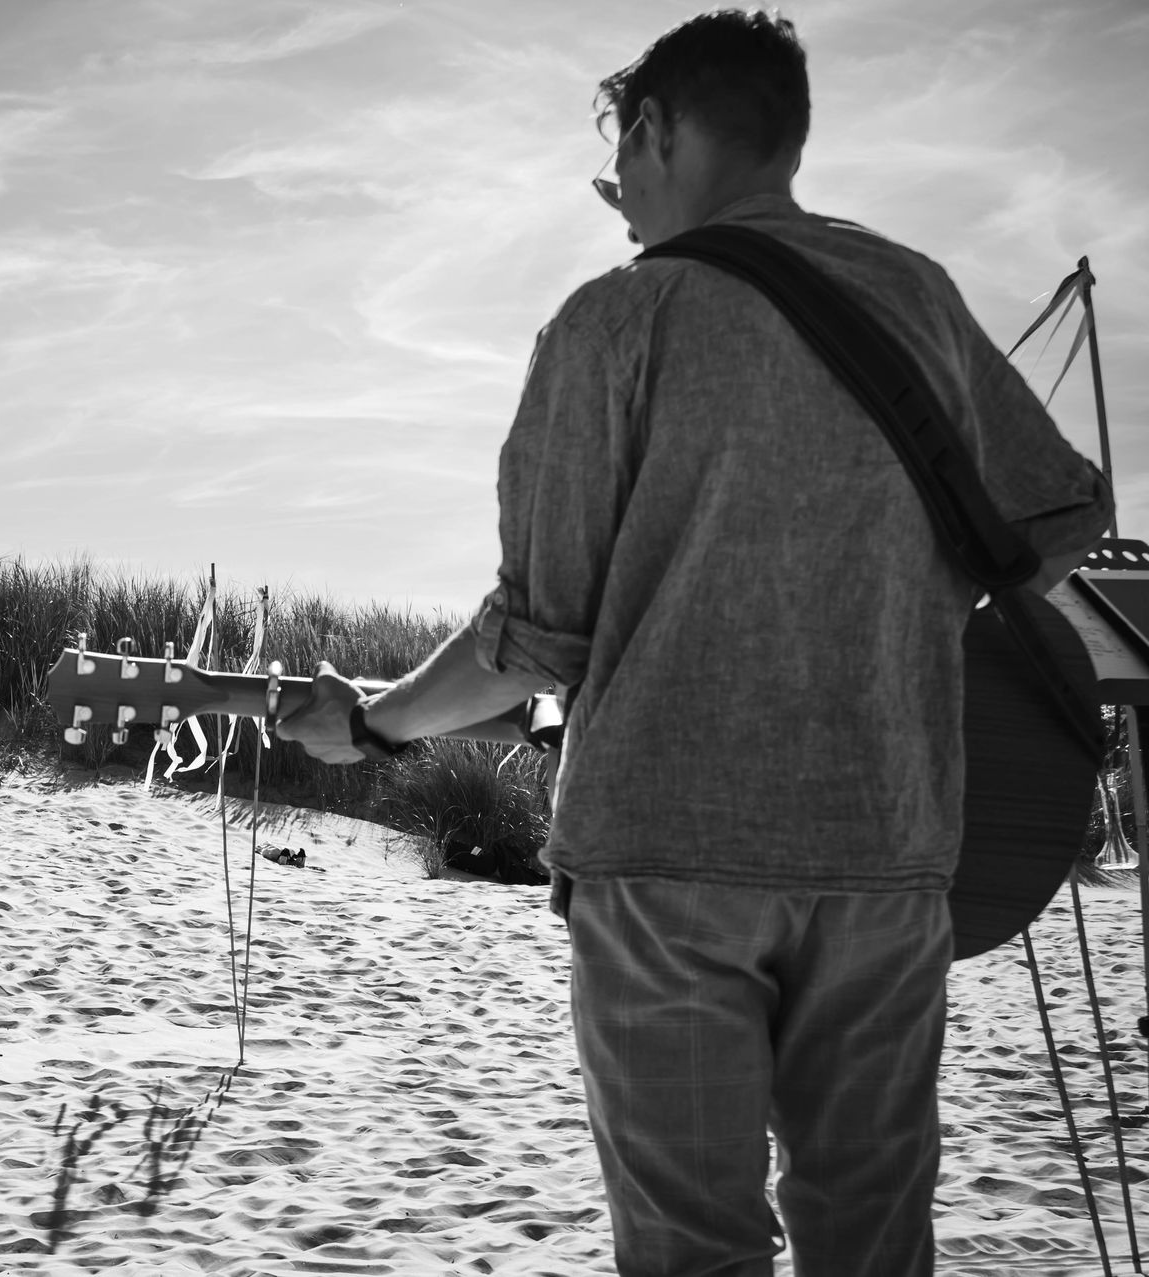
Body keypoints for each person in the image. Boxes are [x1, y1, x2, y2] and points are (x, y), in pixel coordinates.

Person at [276, 10, 1112, 1275]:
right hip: (888, 846)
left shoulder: (616, 321)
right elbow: (1062, 509)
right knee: (875, 1234)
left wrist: (376, 721)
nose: (617, 194)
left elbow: (533, 641)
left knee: (691, 1245)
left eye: (621, 153)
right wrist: (917, 616)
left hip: (670, 858)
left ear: (661, 127)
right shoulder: (917, 293)